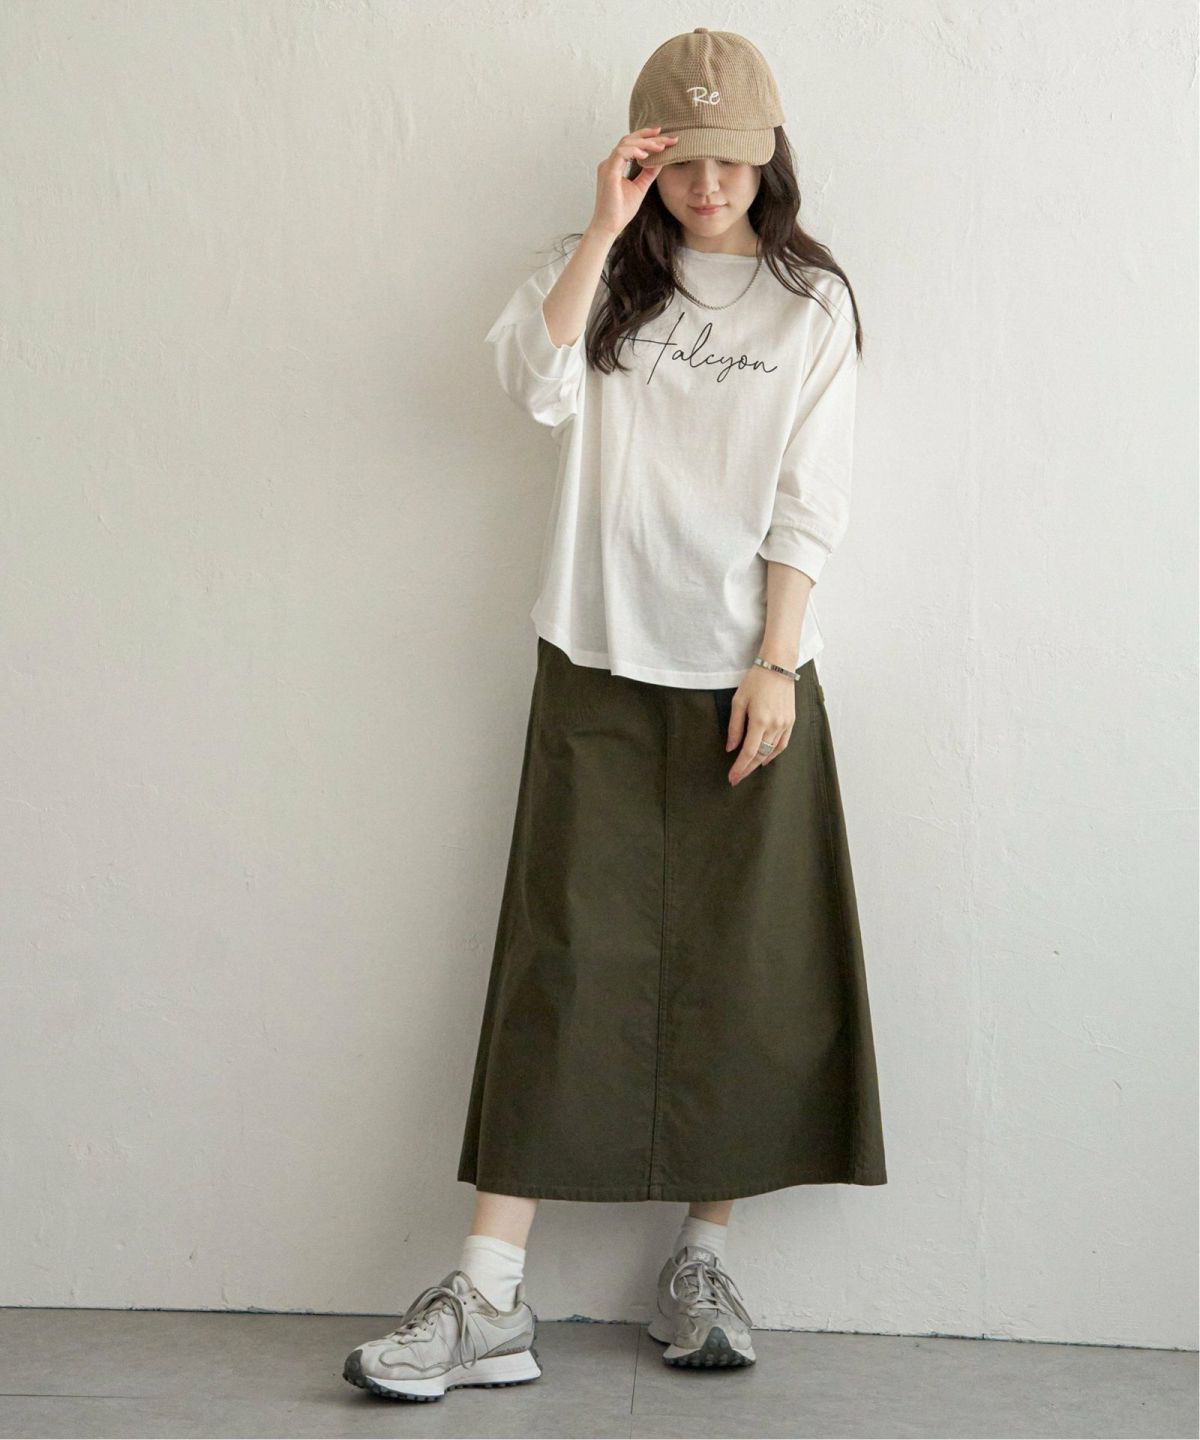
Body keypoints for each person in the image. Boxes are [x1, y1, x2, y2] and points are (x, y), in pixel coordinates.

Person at [343, 27, 887, 1403]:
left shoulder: (811, 304)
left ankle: (702, 1259)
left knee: (746, 970)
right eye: (681, 159)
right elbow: (529, 387)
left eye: (731, 161)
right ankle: (488, 1293)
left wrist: (777, 661)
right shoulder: (598, 277)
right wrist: (602, 227)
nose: (708, 185)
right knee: (561, 959)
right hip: (595, 657)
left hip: (748, 674)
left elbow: (811, 499)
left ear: (770, 159)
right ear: (644, 155)